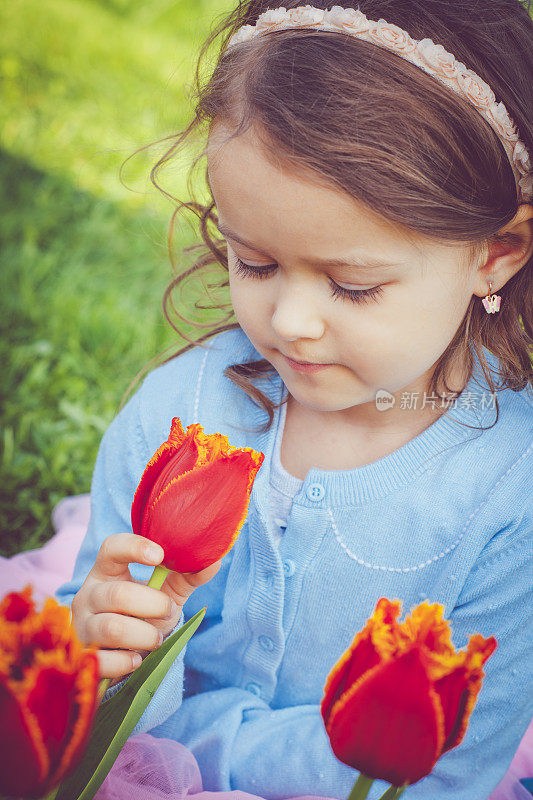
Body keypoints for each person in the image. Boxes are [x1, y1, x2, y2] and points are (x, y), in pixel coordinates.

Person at [55, 2, 533, 798]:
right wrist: (101, 638)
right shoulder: (184, 411)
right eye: (256, 263)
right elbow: (88, 630)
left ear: (495, 254)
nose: (289, 323)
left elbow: (447, 770)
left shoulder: (508, 495)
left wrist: (205, 745)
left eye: (352, 285)